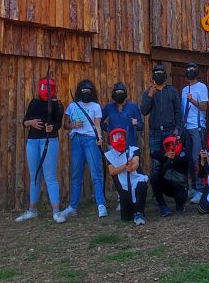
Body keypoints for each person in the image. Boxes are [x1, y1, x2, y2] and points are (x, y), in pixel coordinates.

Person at [16, 76, 66, 223]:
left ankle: (56, 212)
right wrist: (30, 122)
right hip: (32, 141)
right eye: (45, 88)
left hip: (49, 141)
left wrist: (52, 127)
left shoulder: (57, 105)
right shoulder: (34, 103)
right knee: (35, 176)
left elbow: (58, 124)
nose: (47, 91)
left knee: (50, 176)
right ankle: (32, 210)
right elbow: (24, 121)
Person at [61, 80, 108, 219]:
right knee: (76, 174)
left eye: (88, 90)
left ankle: (101, 204)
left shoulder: (96, 106)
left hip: (90, 140)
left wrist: (99, 137)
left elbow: (98, 124)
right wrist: (73, 125)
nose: (86, 92)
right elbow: (65, 124)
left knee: (96, 173)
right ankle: (72, 206)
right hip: (76, 139)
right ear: (79, 91)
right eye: (83, 90)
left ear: (92, 91)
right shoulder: (72, 106)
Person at [141, 63, 183, 216]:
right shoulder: (148, 92)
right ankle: (161, 203)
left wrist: (178, 129)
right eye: (156, 73)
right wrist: (150, 95)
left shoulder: (172, 91)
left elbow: (178, 111)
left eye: (161, 72)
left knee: (173, 165)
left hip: (170, 132)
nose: (158, 75)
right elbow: (144, 111)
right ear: (153, 76)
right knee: (156, 167)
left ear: (165, 75)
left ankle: (178, 199)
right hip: (155, 134)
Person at [101, 82, 143, 212]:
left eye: (121, 92)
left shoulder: (133, 107)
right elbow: (99, 121)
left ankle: (135, 197)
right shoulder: (109, 107)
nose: (119, 94)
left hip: (130, 144)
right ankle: (122, 199)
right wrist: (108, 129)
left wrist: (136, 123)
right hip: (114, 145)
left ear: (125, 93)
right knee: (118, 172)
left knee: (132, 170)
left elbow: (141, 125)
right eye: (117, 92)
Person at [104, 128, 148, 225]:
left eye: (121, 136)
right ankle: (132, 209)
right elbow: (112, 171)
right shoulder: (110, 155)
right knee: (126, 217)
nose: (119, 139)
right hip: (122, 183)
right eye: (116, 137)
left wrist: (132, 168)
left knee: (142, 185)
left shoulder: (133, 150)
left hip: (135, 179)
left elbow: (136, 161)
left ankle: (139, 212)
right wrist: (125, 165)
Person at [180, 63, 209, 204]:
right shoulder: (184, 89)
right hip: (186, 127)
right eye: (188, 70)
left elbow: (204, 106)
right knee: (189, 159)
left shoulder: (202, 87)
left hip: (197, 126)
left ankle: (200, 188)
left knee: (197, 158)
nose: (190, 72)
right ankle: (192, 186)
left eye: (192, 70)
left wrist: (192, 100)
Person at [150, 136, 190, 215]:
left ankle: (180, 204)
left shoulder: (184, 153)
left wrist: (173, 158)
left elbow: (184, 159)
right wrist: (165, 155)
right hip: (167, 185)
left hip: (180, 186)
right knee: (154, 178)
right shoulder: (165, 155)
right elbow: (152, 154)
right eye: (168, 145)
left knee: (180, 198)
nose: (171, 147)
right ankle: (163, 206)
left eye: (173, 145)